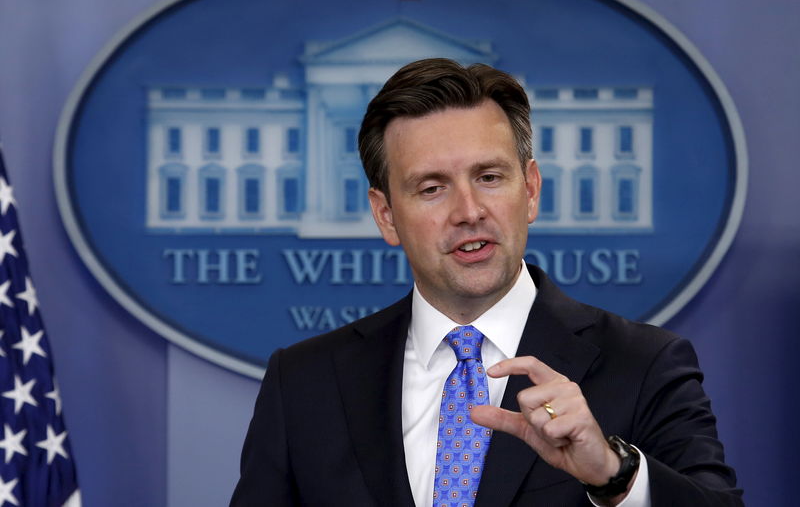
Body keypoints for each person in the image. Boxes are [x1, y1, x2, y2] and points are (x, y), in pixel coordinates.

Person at [231, 58, 742, 506]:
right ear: (386, 216)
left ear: (532, 190)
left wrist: (614, 476)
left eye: (490, 177)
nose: (469, 211)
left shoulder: (645, 364)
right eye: (432, 188)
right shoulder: (302, 382)